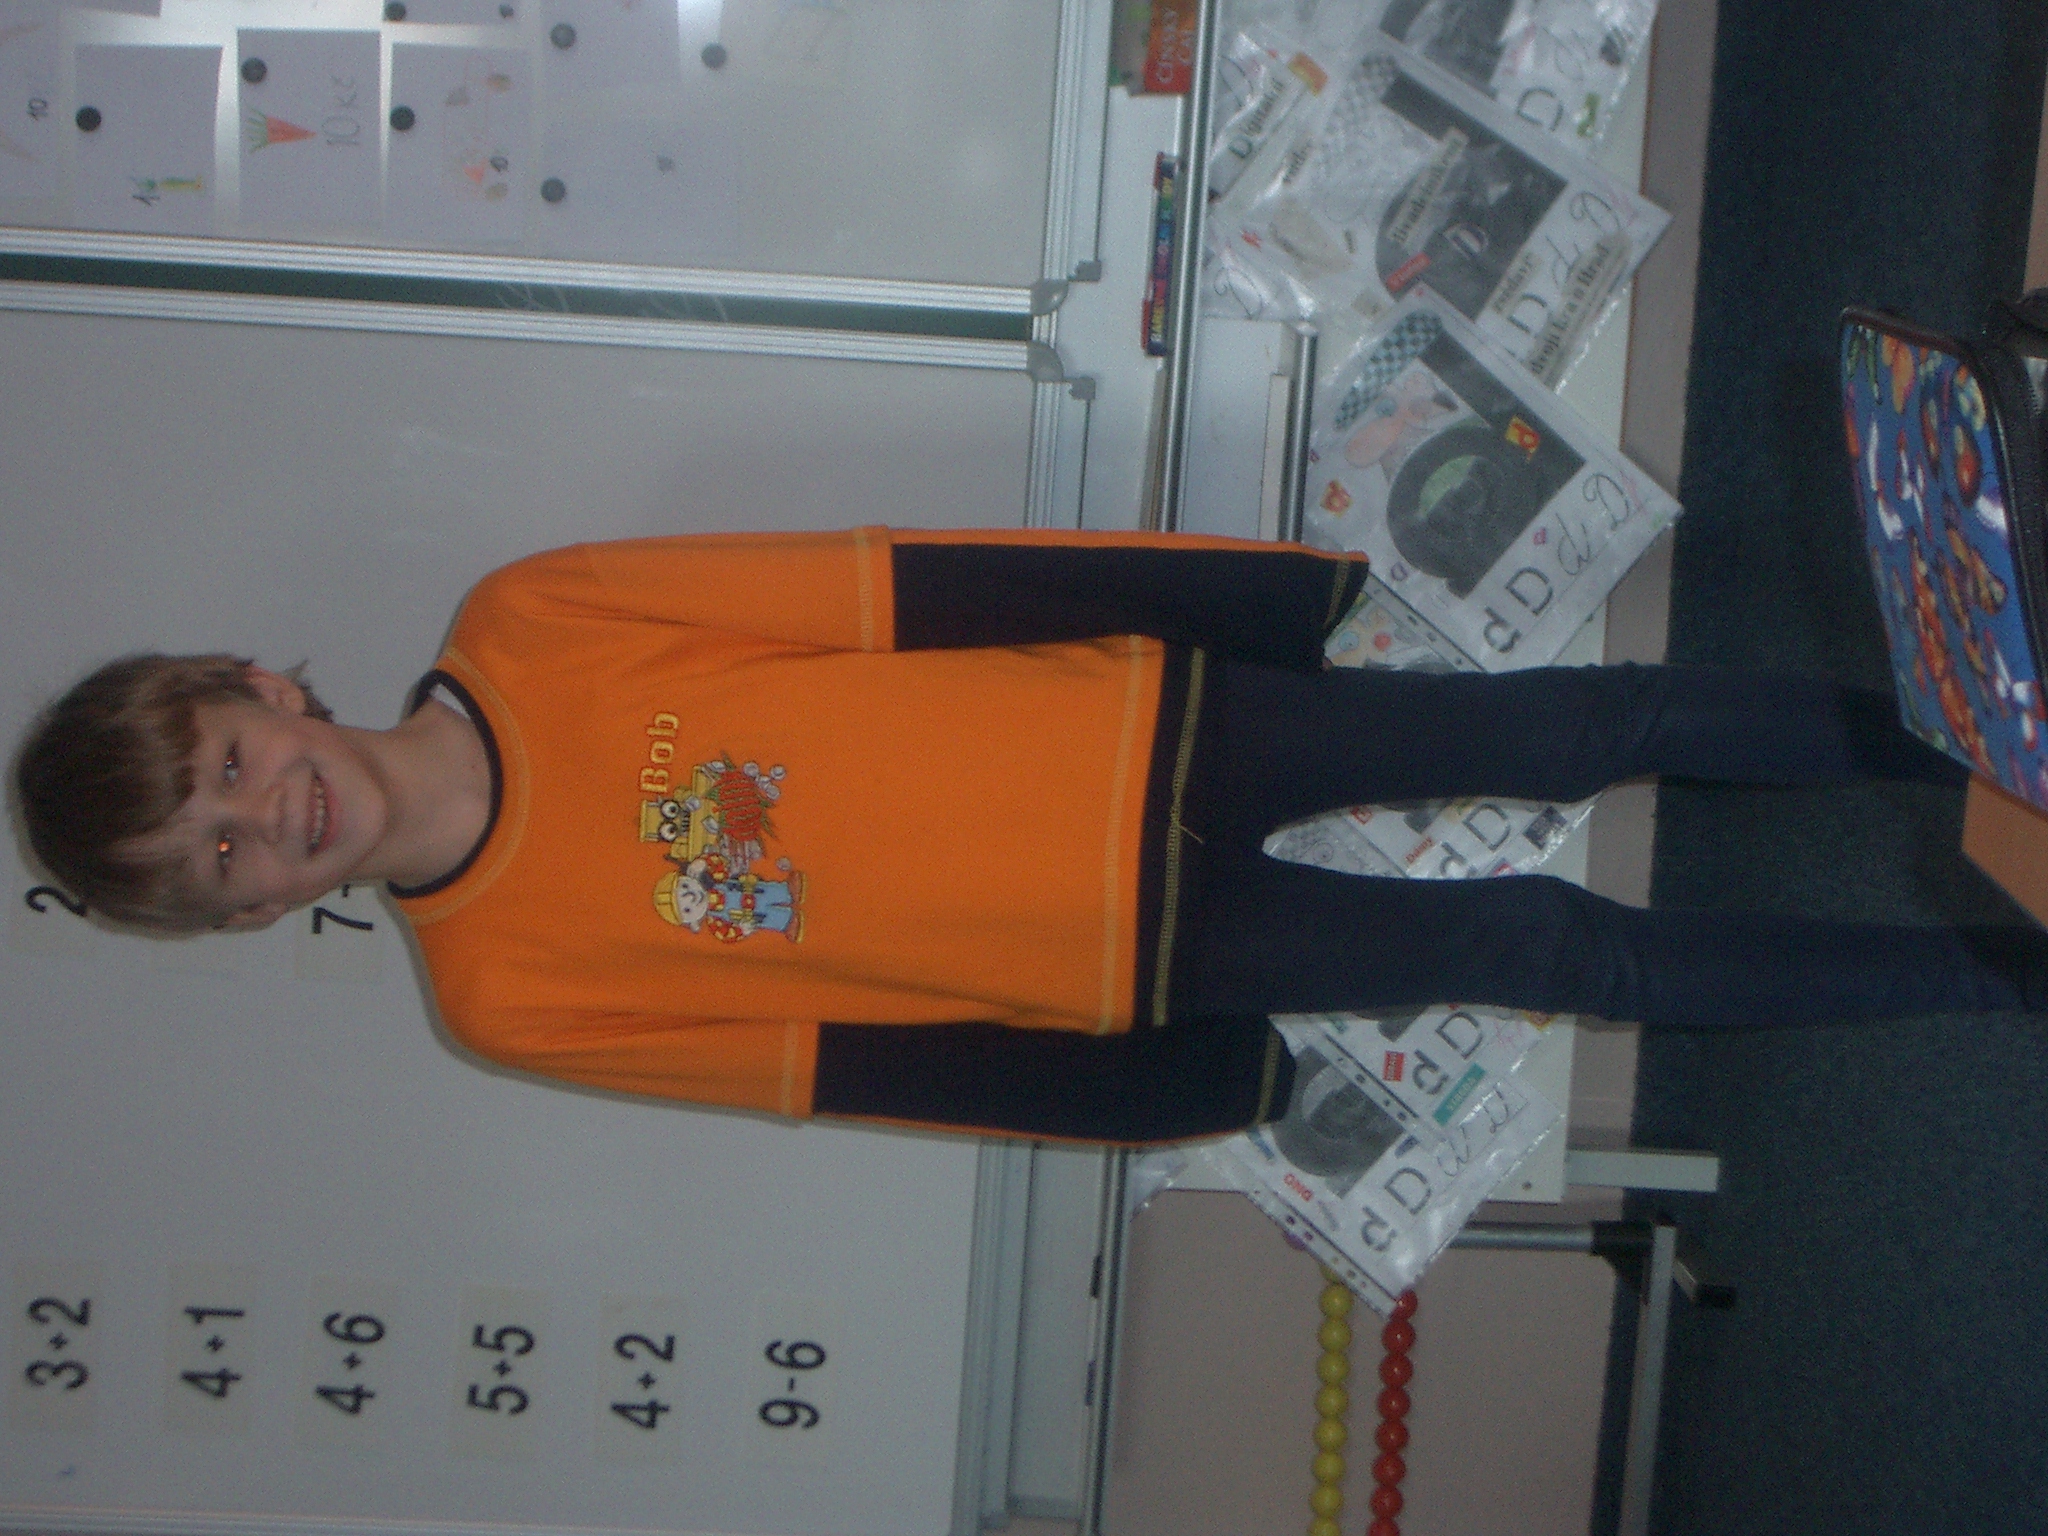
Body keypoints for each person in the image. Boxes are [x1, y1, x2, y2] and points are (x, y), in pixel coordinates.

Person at [14, 527, 2046, 1145]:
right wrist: (1144, 1097)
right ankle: (1993, 967)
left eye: (227, 767)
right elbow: (846, 1067)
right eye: (224, 861)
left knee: (1570, 727)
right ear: (245, 918)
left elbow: (898, 581)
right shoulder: (498, 997)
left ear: (258, 684)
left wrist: (1227, 595)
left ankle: (1985, 723)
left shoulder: (529, 617)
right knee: (1547, 950)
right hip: (1131, 961)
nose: (264, 819)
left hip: (1153, 718)